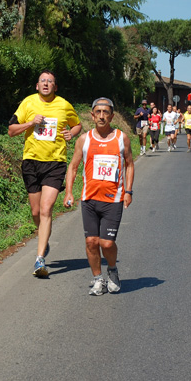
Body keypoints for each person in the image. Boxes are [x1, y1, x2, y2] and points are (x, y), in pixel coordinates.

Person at [8, 69, 82, 277]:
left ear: (55, 87)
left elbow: (77, 125)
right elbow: (11, 130)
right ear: (37, 86)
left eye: (50, 81)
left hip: (55, 162)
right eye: (43, 81)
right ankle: (44, 236)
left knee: (46, 209)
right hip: (31, 162)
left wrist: (71, 133)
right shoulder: (28, 103)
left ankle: (39, 260)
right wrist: (31, 123)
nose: (46, 83)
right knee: (35, 212)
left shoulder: (64, 105)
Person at [64, 97, 134, 295]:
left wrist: (128, 191)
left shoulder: (122, 138)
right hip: (89, 200)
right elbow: (73, 166)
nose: (102, 116)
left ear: (112, 116)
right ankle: (97, 279)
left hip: (113, 200)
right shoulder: (84, 140)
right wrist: (69, 192)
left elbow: (129, 164)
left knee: (107, 243)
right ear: (92, 115)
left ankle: (112, 270)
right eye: (98, 112)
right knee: (91, 242)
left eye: (106, 112)